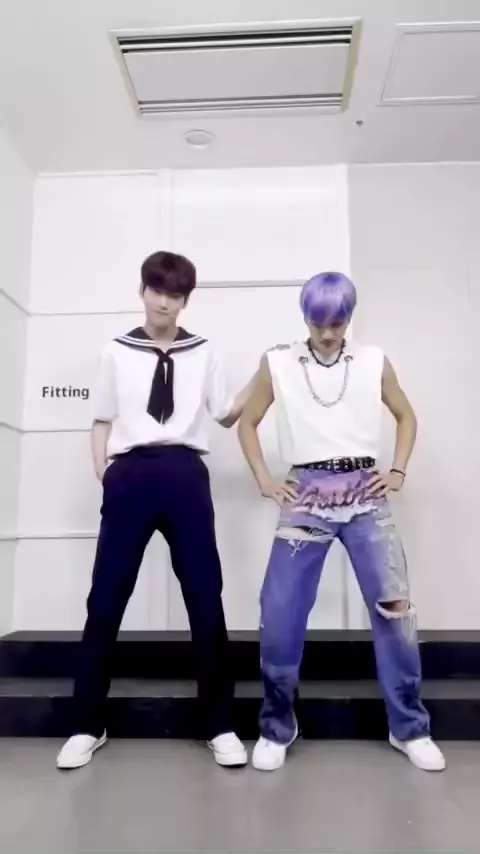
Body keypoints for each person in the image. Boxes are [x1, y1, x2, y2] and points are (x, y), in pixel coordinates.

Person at [238, 271, 446, 773]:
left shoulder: (373, 360)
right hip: (306, 492)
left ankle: (409, 728)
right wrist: (266, 480)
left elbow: (406, 415)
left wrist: (397, 470)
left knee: (394, 609)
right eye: (319, 323)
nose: (329, 333)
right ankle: (277, 725)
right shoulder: (278, 362)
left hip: (364, 490)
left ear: (349, 317)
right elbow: (246, 422)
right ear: (305, 318)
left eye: (338, 323)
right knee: (280, 612)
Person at [57, 251, 253, 770]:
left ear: (186, 300)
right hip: (131, 473)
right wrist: (105, 472)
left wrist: (264, 377)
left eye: (175, 295)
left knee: (205, 598)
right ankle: (86, 724)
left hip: (185, 473)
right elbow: (101, 418)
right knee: (106, 598)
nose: (164, 302)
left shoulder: (204, 352)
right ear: (142, 291)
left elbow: (225, 414)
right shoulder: (116, 352)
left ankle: (220, 724)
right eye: (156, 291)